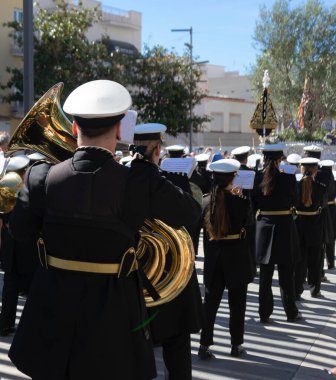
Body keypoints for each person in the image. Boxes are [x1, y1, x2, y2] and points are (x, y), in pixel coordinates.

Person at [8, 80, 201, 380]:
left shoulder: (40, 178)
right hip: (114, 327)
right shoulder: (138, 182)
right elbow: (190, 210)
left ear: (74, 129)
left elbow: (19, 231)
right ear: (121, 129)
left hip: (49, 321)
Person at [131, 123, 203, 380]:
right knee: (177, 354)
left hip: (133, 283)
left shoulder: (120, 179)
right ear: (157, 150)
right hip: (170, 287)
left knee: (134, 356)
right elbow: (194, 213)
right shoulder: (160, 183)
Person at [198, 158, 254, 359]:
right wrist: (240, 198)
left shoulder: (206, 201)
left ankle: (203, 346)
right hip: (236, 257)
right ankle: (236, 345)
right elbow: (249, 225)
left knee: (210, 303)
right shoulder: (241, 201)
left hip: (214, 258)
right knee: (237, 304)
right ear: (233, 178)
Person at [252, 144, 301, 323]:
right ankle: (291, 312)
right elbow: (295, 199)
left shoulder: (257, 177)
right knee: (286, 274)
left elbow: (254, 203)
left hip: (264, 227)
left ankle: (264, 313)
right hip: (284, 227)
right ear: (280, 159)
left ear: (264, 159)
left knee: (265, 275)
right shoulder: (288, 178)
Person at [0, 155, 38, 337]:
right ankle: (30, 329)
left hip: (9, 243)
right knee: (32, 288)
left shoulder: (5, 185)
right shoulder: (30, 187)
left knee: (10, 287)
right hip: (27, 244)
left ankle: (5, 324)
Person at [295, 157, 327, 298]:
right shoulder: (321, 187)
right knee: (315, 260)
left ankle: (297, 289)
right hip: (315, 226)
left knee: (299, 260)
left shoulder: (295, 186)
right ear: (315, 170)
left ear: (302, 169)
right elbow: (324, 206)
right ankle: (315, 289)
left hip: (298, 226)